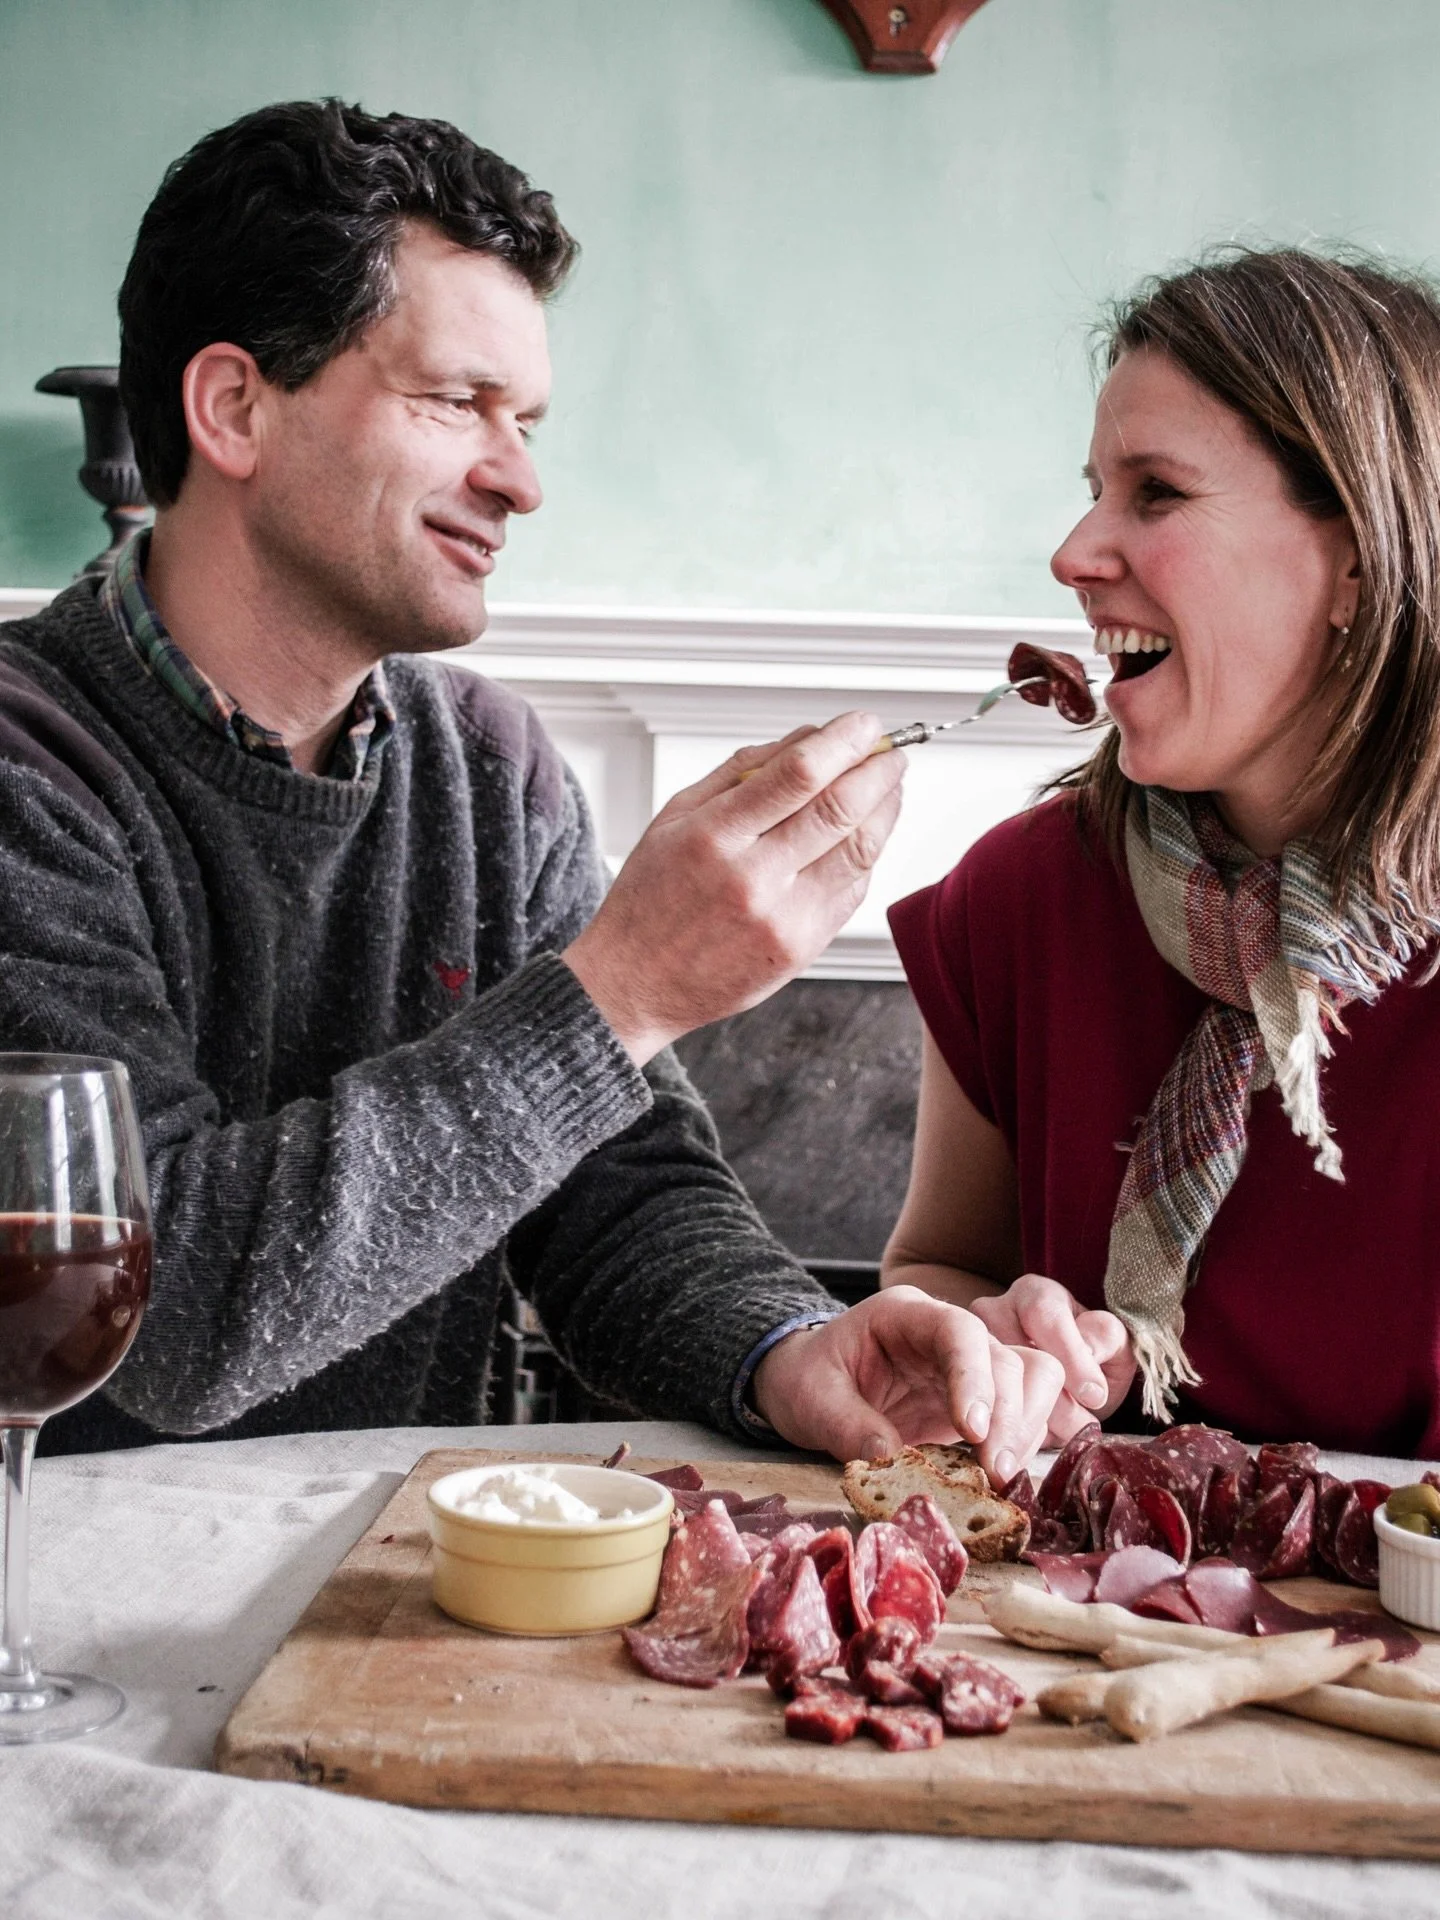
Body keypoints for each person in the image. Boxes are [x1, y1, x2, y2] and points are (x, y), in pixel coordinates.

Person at [0, 99, 1063, 1473]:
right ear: (232, 408)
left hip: (386, 1599)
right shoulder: (31, 762)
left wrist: (793, 1348)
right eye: (455, 403)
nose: (521, 480)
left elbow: (618, 1197)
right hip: (65, 1627)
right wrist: (619, 989)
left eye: (529, 421)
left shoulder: (491, 770)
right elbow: (163, 1319)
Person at [884, 245, 1440, 1461]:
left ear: (1356, 558)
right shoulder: (1016, 900)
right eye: (1093, 488)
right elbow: (937, 1267)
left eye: (1156, 493)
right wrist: (987, 1347)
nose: (1075, 551)